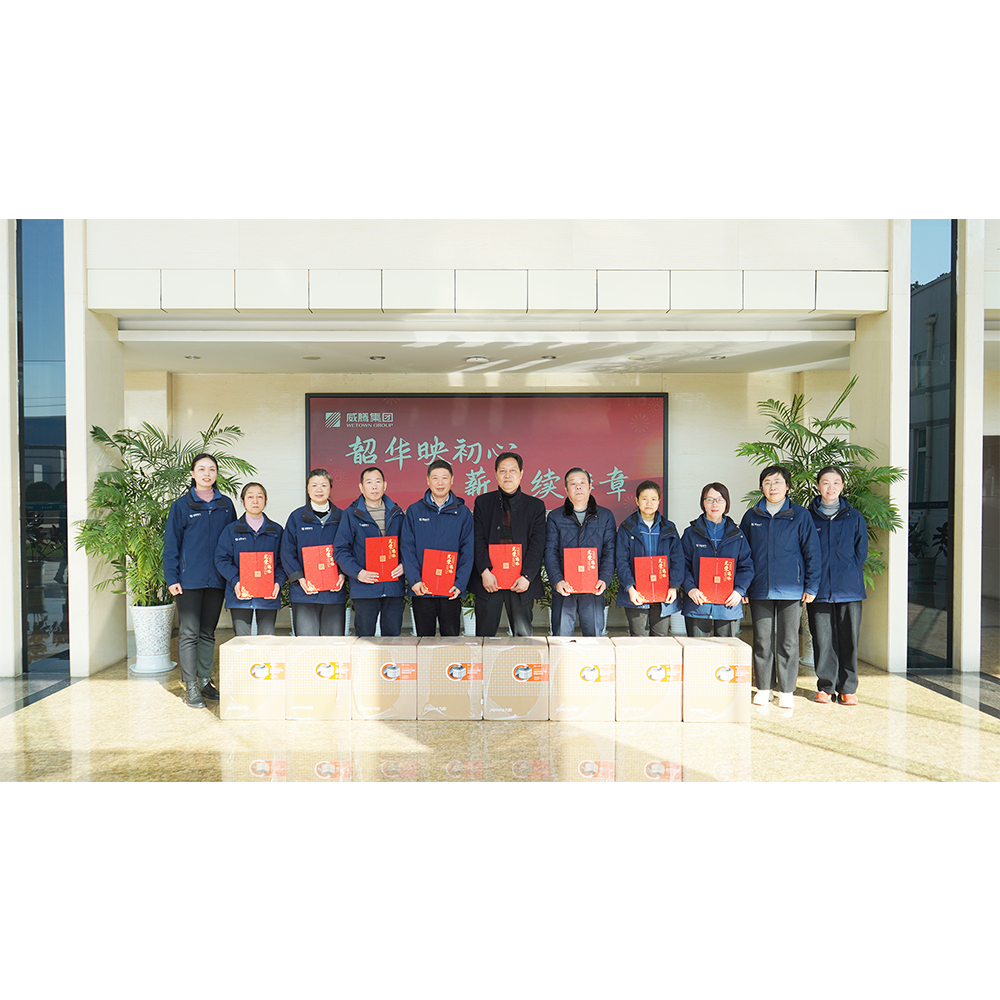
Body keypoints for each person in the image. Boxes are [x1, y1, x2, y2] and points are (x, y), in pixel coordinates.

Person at [740, 465, 820, 710]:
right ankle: (764, 688)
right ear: (761, 487)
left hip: (791, 589)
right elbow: (742, 555)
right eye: (767, 482)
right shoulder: (751, 516)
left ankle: (786, 690)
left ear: (787, 486)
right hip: (759, 588)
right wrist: (742, 587)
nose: (772, 487)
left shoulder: (800, 515)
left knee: (788, 641)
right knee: (762, 640)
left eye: (777, 482)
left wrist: (811, 585)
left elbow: (812, 552)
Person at [163, 452, 237, 708]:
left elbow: (232, 541)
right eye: (202, 469)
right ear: (193, 474)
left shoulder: (225, 504)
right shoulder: (182, 506)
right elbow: (171, 544)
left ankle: (205, 680)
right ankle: (190, 685)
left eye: (212, 469)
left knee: (208, 632)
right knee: (189, 632)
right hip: (189, 581)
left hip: (217, 579)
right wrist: (171, 577)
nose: (207, 473)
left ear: (216, 474)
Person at [806, 466, 869, 705]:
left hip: (849, 588)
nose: (830, 487)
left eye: (835, 482)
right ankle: (825, 686)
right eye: (825, 482)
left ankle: (847, 688)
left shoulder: (854, 517)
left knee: (849, 639)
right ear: (818, 486)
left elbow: (860, 552)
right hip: (818, 589)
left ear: (842, 486)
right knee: (822, 639)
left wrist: (848, 572)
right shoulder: (808, 517)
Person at [469, 451, 547, 637]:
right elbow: (477, 539)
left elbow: (538, 544)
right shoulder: (482, 503)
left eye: (513, 470)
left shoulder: (535, 506)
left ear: (521, 474)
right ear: (495, 474)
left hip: (520, 581)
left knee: (523, 636)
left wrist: (527, 576)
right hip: (490, 580)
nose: (507, 475)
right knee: (485, 636)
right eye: (502, 470)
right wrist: (484, 572)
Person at [400, 459, 474, 637]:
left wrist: (460, 584)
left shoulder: (463, 513)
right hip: (422, 589)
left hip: (450, 590)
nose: (440, 482)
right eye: (435, 478)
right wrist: (414, 580)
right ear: (428, 481)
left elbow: (468, 550)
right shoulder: (414, 511)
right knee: (424, 641)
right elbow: (407, 548)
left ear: (452, 480)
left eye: (444, 478)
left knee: (451, 640)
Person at [333, 466, 406, 636]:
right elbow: (341, 550)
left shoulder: (397, 513)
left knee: (393, 639)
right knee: (365, 639)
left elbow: (407, 545)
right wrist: (358, 573)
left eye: (378, 482)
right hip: (364, 588)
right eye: (369, 482)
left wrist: (404, 565)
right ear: (361, 487)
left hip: (393, 587)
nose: (374, 486)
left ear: (385, 485)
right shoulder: (351, 514)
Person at [544, 467, 617, 636]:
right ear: (566, 489)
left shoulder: (605, 516)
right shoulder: (555, 517)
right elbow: (550, 551)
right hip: (564, 588)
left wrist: (604, 579)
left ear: (590, 487)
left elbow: (610, 550)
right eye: (573, 483)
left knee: (593, 638)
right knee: (561, 638)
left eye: (583, 482)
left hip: (593, 587)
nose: (578, 487)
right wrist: (557, 580)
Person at [681, 482, 755, 637]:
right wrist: (690, 589)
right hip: (698, 603)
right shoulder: (691, 533)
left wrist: (739, 591)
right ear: (703, 502)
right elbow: (682, 565)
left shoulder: (737, 535)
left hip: (728, 604)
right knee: (697, 649)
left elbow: (746, 567)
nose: (715, 504)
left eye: (720, 500)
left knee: (725, 649)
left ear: (726, 503)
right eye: (709, 499)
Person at [280, 468, 348, 636]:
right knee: (307, 644)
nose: (319, 489)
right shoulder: (296, 517)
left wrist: (343, 574)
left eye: (324, 485)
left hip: (333, 592)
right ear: (307, 488)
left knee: (333, 643)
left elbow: (349, 549)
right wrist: (300, 578)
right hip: (304, 592)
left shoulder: (342, 517)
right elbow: (287, 551)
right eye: (314, 485)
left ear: (330, 488)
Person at [215, 482, 287, 638]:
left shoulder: (276, 531)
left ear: (266, 500)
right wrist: (236, 580)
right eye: (250, 497)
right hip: (239, 594)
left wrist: (278, 582)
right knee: (242, 640)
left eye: (259, 497)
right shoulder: (231, 530)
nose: (255, 501)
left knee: (267, 638)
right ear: (242, 500)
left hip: (268, 594)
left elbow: (283, 561)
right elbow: (221, 559)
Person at [614, 480, 682, 636]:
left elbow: (678, 560)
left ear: (659, 501)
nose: (649, 503)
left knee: (660, 637)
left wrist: (674, 586)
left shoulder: (669, 528)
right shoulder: (627, 527)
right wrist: (630, 588)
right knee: (639, 639)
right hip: (636, 593)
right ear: (637, 501)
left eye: (653, 499)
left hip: (663, 592)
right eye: (644, 498)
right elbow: (621, 560)